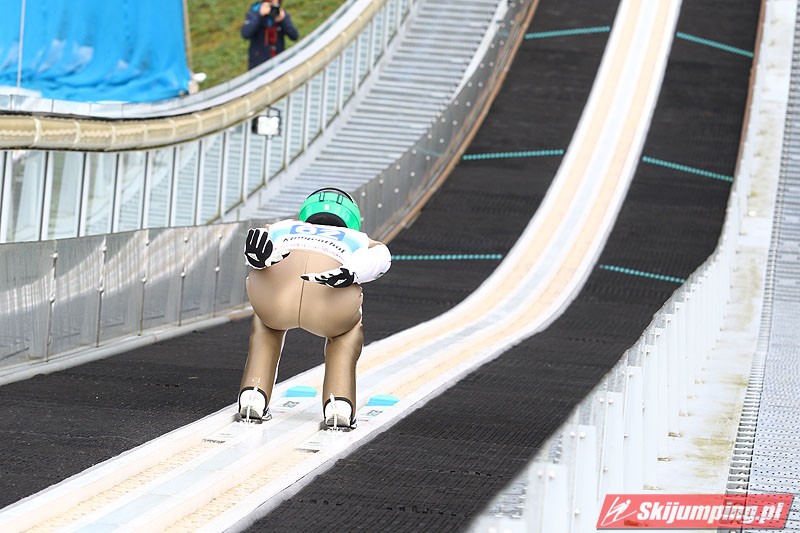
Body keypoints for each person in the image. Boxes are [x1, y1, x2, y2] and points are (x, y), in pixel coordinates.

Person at [238, 188, 392, 430]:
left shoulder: (283, 227)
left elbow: (256, 241)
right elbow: (381, 257)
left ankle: (253, 394)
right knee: (346, 334)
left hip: (275, 298)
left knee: (266, 325)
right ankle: (339, 404)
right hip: (329, 302)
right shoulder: (359, 238)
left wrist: (257, 259)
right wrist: (350, 273)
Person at [241, 1, 299, 70]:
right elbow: (245, 33)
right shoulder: (254, 13)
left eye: (276, 4)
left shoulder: (280, 13)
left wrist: (283, 20)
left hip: (278, 63)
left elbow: (294, 36)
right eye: (271, 4)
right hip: (258, 65)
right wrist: (259, 15)